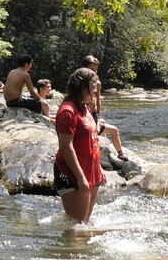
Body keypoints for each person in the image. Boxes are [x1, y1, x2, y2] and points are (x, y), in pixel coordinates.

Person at [53, 67, 105, 223]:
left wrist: (98, 169)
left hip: (90, 172)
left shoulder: (85, 108)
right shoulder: (67, 111)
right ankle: (69, 248)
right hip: (72, 175)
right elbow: (66, 147)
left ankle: (80, 248)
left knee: (84, 224)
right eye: (93, 87)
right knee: (77, 226)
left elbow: (93, 140)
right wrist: (81, 177)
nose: (95, 92)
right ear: (82, 87)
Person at [81, 55, 127, 160]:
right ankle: (119, 153)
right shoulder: (81, 84)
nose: (94, 72)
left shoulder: (97, 83)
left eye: (96, 70)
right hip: (86, 115)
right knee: (114, 130)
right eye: (91, 69)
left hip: (94, 115)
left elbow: (98, 101)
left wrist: (98, 116)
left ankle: (113, 151)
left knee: (102, 123)